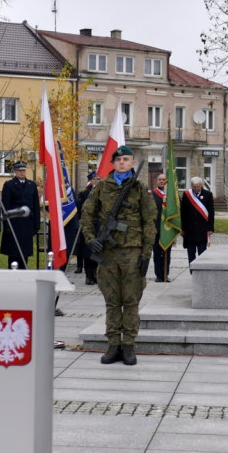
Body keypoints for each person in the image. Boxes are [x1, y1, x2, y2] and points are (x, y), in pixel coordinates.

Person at [80, 146, 157, 366]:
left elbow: (149, 222)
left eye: (126, 159)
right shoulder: (102, 187)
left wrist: (146, 254)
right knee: (112, 302)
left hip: (133, 252)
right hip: (107, 254)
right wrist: (90, 239)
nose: (122, 162)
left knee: (131, 301)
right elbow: (86, 214)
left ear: (132, 163)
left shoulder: (140, 189)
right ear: (113, 163)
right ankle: (113, 345)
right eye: (118, 159)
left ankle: (129, 345)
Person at [0, 161, 40, 269]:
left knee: (24, 253)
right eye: (19, 171)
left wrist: (36, 225)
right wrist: (7, 225)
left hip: (27, 224)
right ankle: (12, 273)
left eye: (23, 170)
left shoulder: (31, 185)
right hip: (14, 223)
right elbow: (5, 207)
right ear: (15, 172)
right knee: (13, 254)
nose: (21, 173)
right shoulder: (9, 185)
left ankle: (23, 272)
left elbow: (35, 206)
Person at [180, 176, 215, 264]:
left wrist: (210, 228)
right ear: (191, 186)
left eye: (198, 187)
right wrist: (182, 228)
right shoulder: (187, 195)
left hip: (202, 230)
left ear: (201, 185)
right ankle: (192, 270)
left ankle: (201, 271)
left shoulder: (208, 195)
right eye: (194, 187)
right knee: (191, 255)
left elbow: (211, 212)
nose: (196, 188)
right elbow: (183, 212)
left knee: (202, 254)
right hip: (189, 231)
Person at [76, 172, 99, 285]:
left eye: (97, 179)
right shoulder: (84, 193)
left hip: (98, 225)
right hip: (87, 225)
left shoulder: (102, 192)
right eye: (94, 179)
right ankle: (88, 275)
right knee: (87, 252)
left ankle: (95, 274)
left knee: (97, 251)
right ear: (90, 180)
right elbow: (80, 210)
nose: (96, 181)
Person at [150, 173, 173, 281]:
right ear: (157, 181)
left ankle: (165, 274)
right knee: (157, 253)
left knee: (167, 253)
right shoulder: (151, 194)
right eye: (160, 179)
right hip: (156, 229)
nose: (161, 181)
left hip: (168, 230)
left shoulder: (171, 195)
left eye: (163, 179)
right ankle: (158, 275)